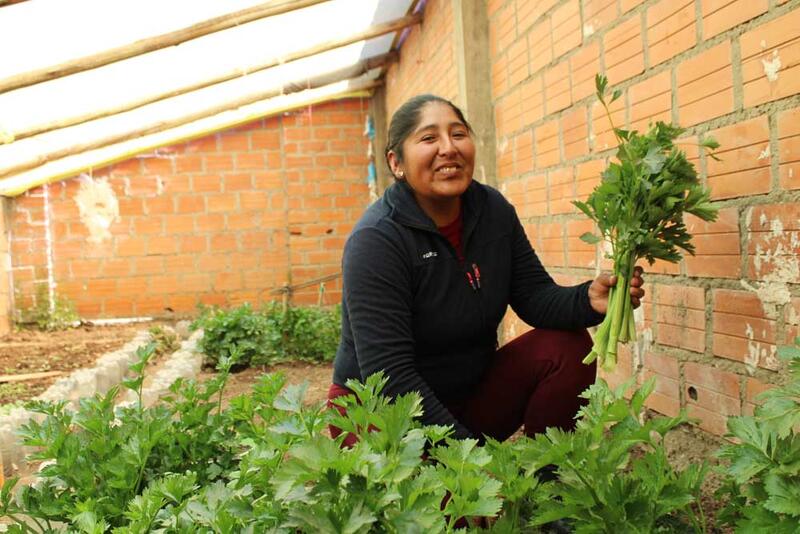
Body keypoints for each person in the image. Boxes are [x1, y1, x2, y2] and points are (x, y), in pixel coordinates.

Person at [328, 94, 644, 444]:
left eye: (458, 133)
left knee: (565, 347)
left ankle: (548, 478)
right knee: (441, 498)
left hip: (466, 395)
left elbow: (534, 296)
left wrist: (589, 300)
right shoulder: (377, 240)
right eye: (429, 138)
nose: (448, 148)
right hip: (383, 418)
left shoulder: (492, 210)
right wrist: (467, 459)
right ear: (396, 162)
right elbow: (389, 375)